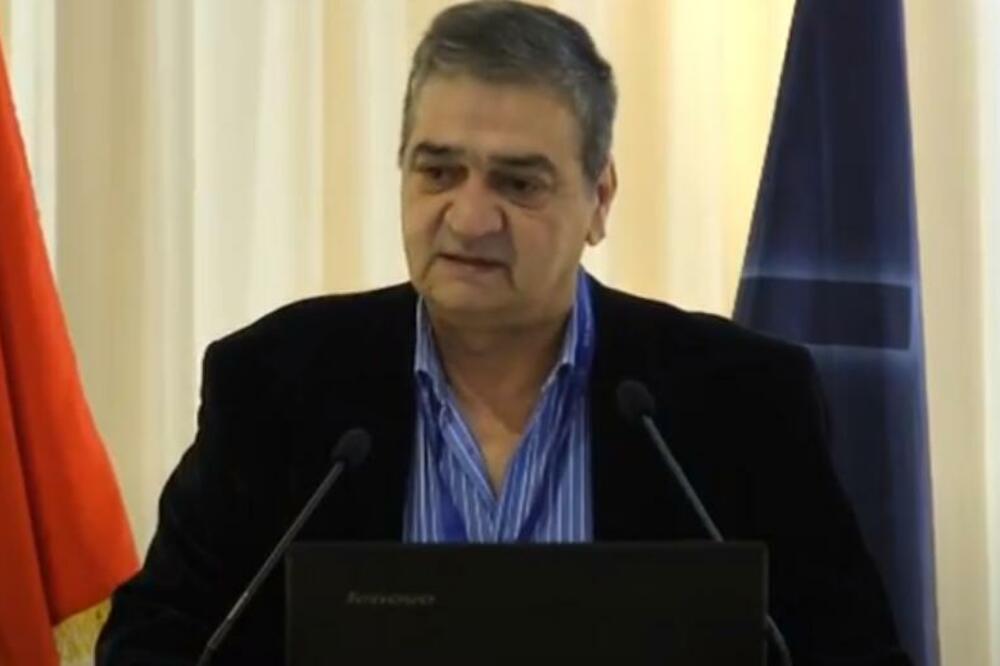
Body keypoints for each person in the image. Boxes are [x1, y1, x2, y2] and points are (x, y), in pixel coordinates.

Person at [97, 2, 910, 664]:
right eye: (438, 172)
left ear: (599, 200)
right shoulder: (275, 384)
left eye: (518, 184)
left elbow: (850, 652)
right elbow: (155, 643)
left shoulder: (738, 401)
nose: (470, 217)